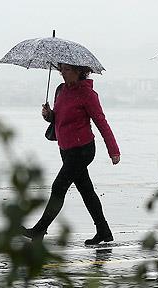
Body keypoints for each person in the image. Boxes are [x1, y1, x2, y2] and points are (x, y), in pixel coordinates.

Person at [23, 63, 121, 245]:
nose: (62, 73)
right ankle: (104, 231)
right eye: (61, 69)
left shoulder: (88, 94)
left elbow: (101, 122)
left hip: (83, 149)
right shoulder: (60, 90)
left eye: (67, 70)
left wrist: (113, 150)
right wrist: (48, 114)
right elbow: (58, 118)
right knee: (86, 190)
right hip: (65, 149)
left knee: (58, 186)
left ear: (79, 72)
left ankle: (39, 230)